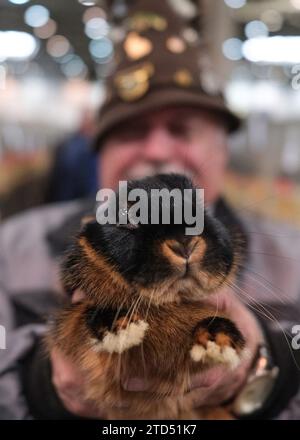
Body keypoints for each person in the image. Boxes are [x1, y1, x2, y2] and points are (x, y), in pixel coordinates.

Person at [0, 0, 300, 420]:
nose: (157, 151)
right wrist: (39, 383)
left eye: (182, 129)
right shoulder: (12, 249)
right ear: (100, 152)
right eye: (131, 131)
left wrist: (273, 366)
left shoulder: (293, 255)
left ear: (221, 148)